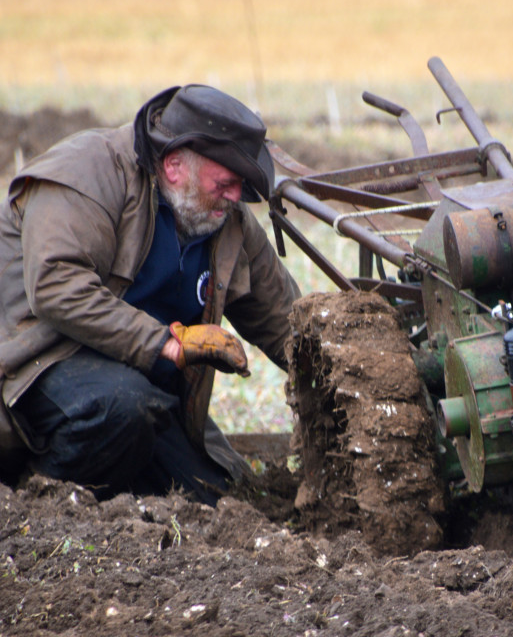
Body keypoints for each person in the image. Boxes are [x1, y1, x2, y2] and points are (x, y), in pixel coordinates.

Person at [0, 85, 300, 505]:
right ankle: (34, 506)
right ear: (175, 165)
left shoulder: (223, 217)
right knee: (122, 409)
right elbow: (55, 286)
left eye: (242, 186)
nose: (236, 197)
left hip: (145, 394)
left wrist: (337, 371)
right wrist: (163, 342)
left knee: (222, 499)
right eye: (227, 182)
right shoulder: (86, 173)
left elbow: (284, 318)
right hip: (39, 365)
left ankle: (119, 492)